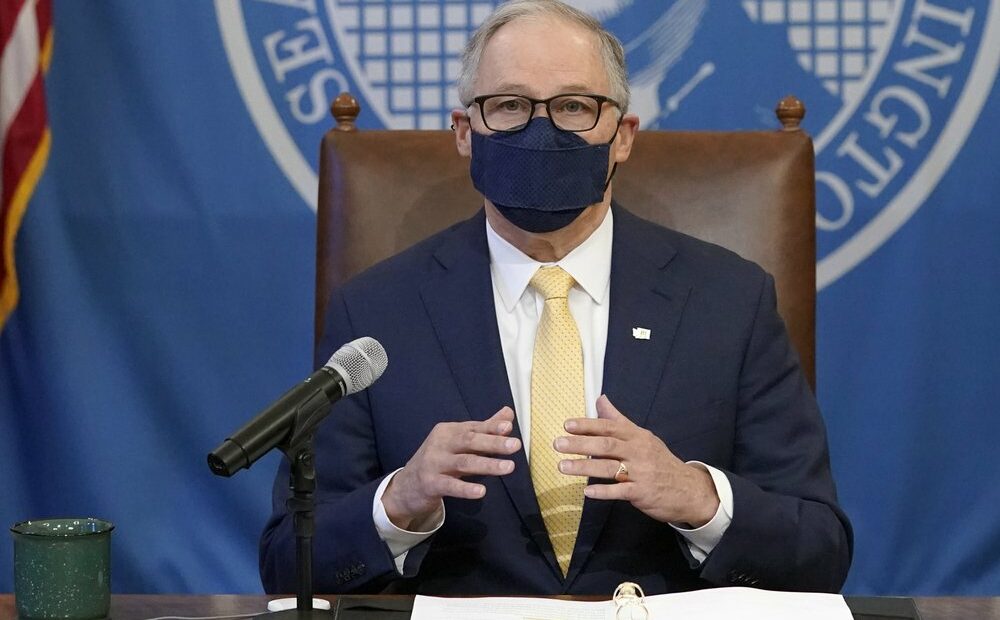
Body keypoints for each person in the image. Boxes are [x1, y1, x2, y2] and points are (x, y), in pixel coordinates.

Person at [260, 0, 852, 596]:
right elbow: (288, 564)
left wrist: (698, 498)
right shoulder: (377, 313)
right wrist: (398, 502)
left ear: (622, 136)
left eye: (573, 106)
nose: (540, 130)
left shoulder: (729, 302)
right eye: (510, 105)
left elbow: (821, 551)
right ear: (465, 133)